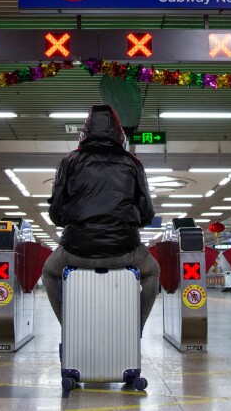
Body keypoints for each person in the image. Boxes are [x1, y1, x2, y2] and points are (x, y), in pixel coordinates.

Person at [41, 105, 159, 332]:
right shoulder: (133, 163)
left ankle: (68, 327)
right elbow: (147, 213)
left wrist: (72, 221)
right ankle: (137, 329)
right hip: (125, 251)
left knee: (49, 272)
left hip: (76, 250)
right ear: (119, 134)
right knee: (152, 271)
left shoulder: (69, 161)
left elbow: (55, 213)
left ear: (84, 131)